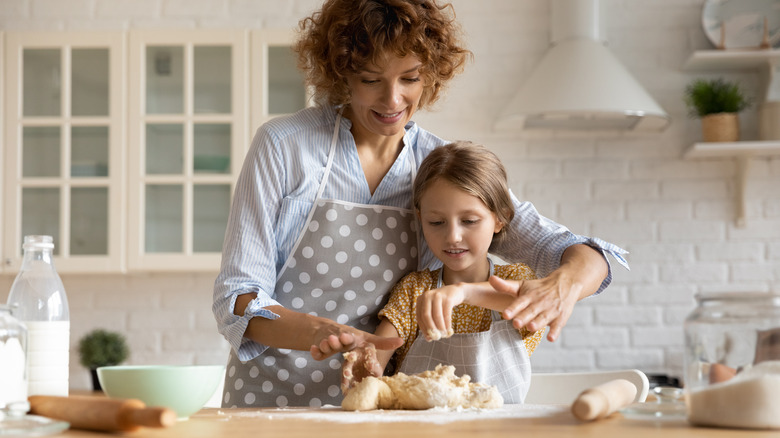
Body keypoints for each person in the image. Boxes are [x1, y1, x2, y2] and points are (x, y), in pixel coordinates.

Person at [213, 0, 628, 408]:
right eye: (371, 79)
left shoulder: (439, 170)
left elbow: (582, 252)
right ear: (341, 73)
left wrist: (563, 285)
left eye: (409, 78)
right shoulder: (285, 147)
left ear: (430, 74)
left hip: (381, 406)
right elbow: (237, 299)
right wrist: (325, 332)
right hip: (268, 397)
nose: (393, 100)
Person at [336, 141, 545, 403]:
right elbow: (377, 355)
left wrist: (464, 293)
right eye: (436, 222)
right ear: (420, 218)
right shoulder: (415, 291)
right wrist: (365, 367)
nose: (453, 236)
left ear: (500, 218)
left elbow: (533, 303)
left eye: (469, 221)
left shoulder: (515, 280)